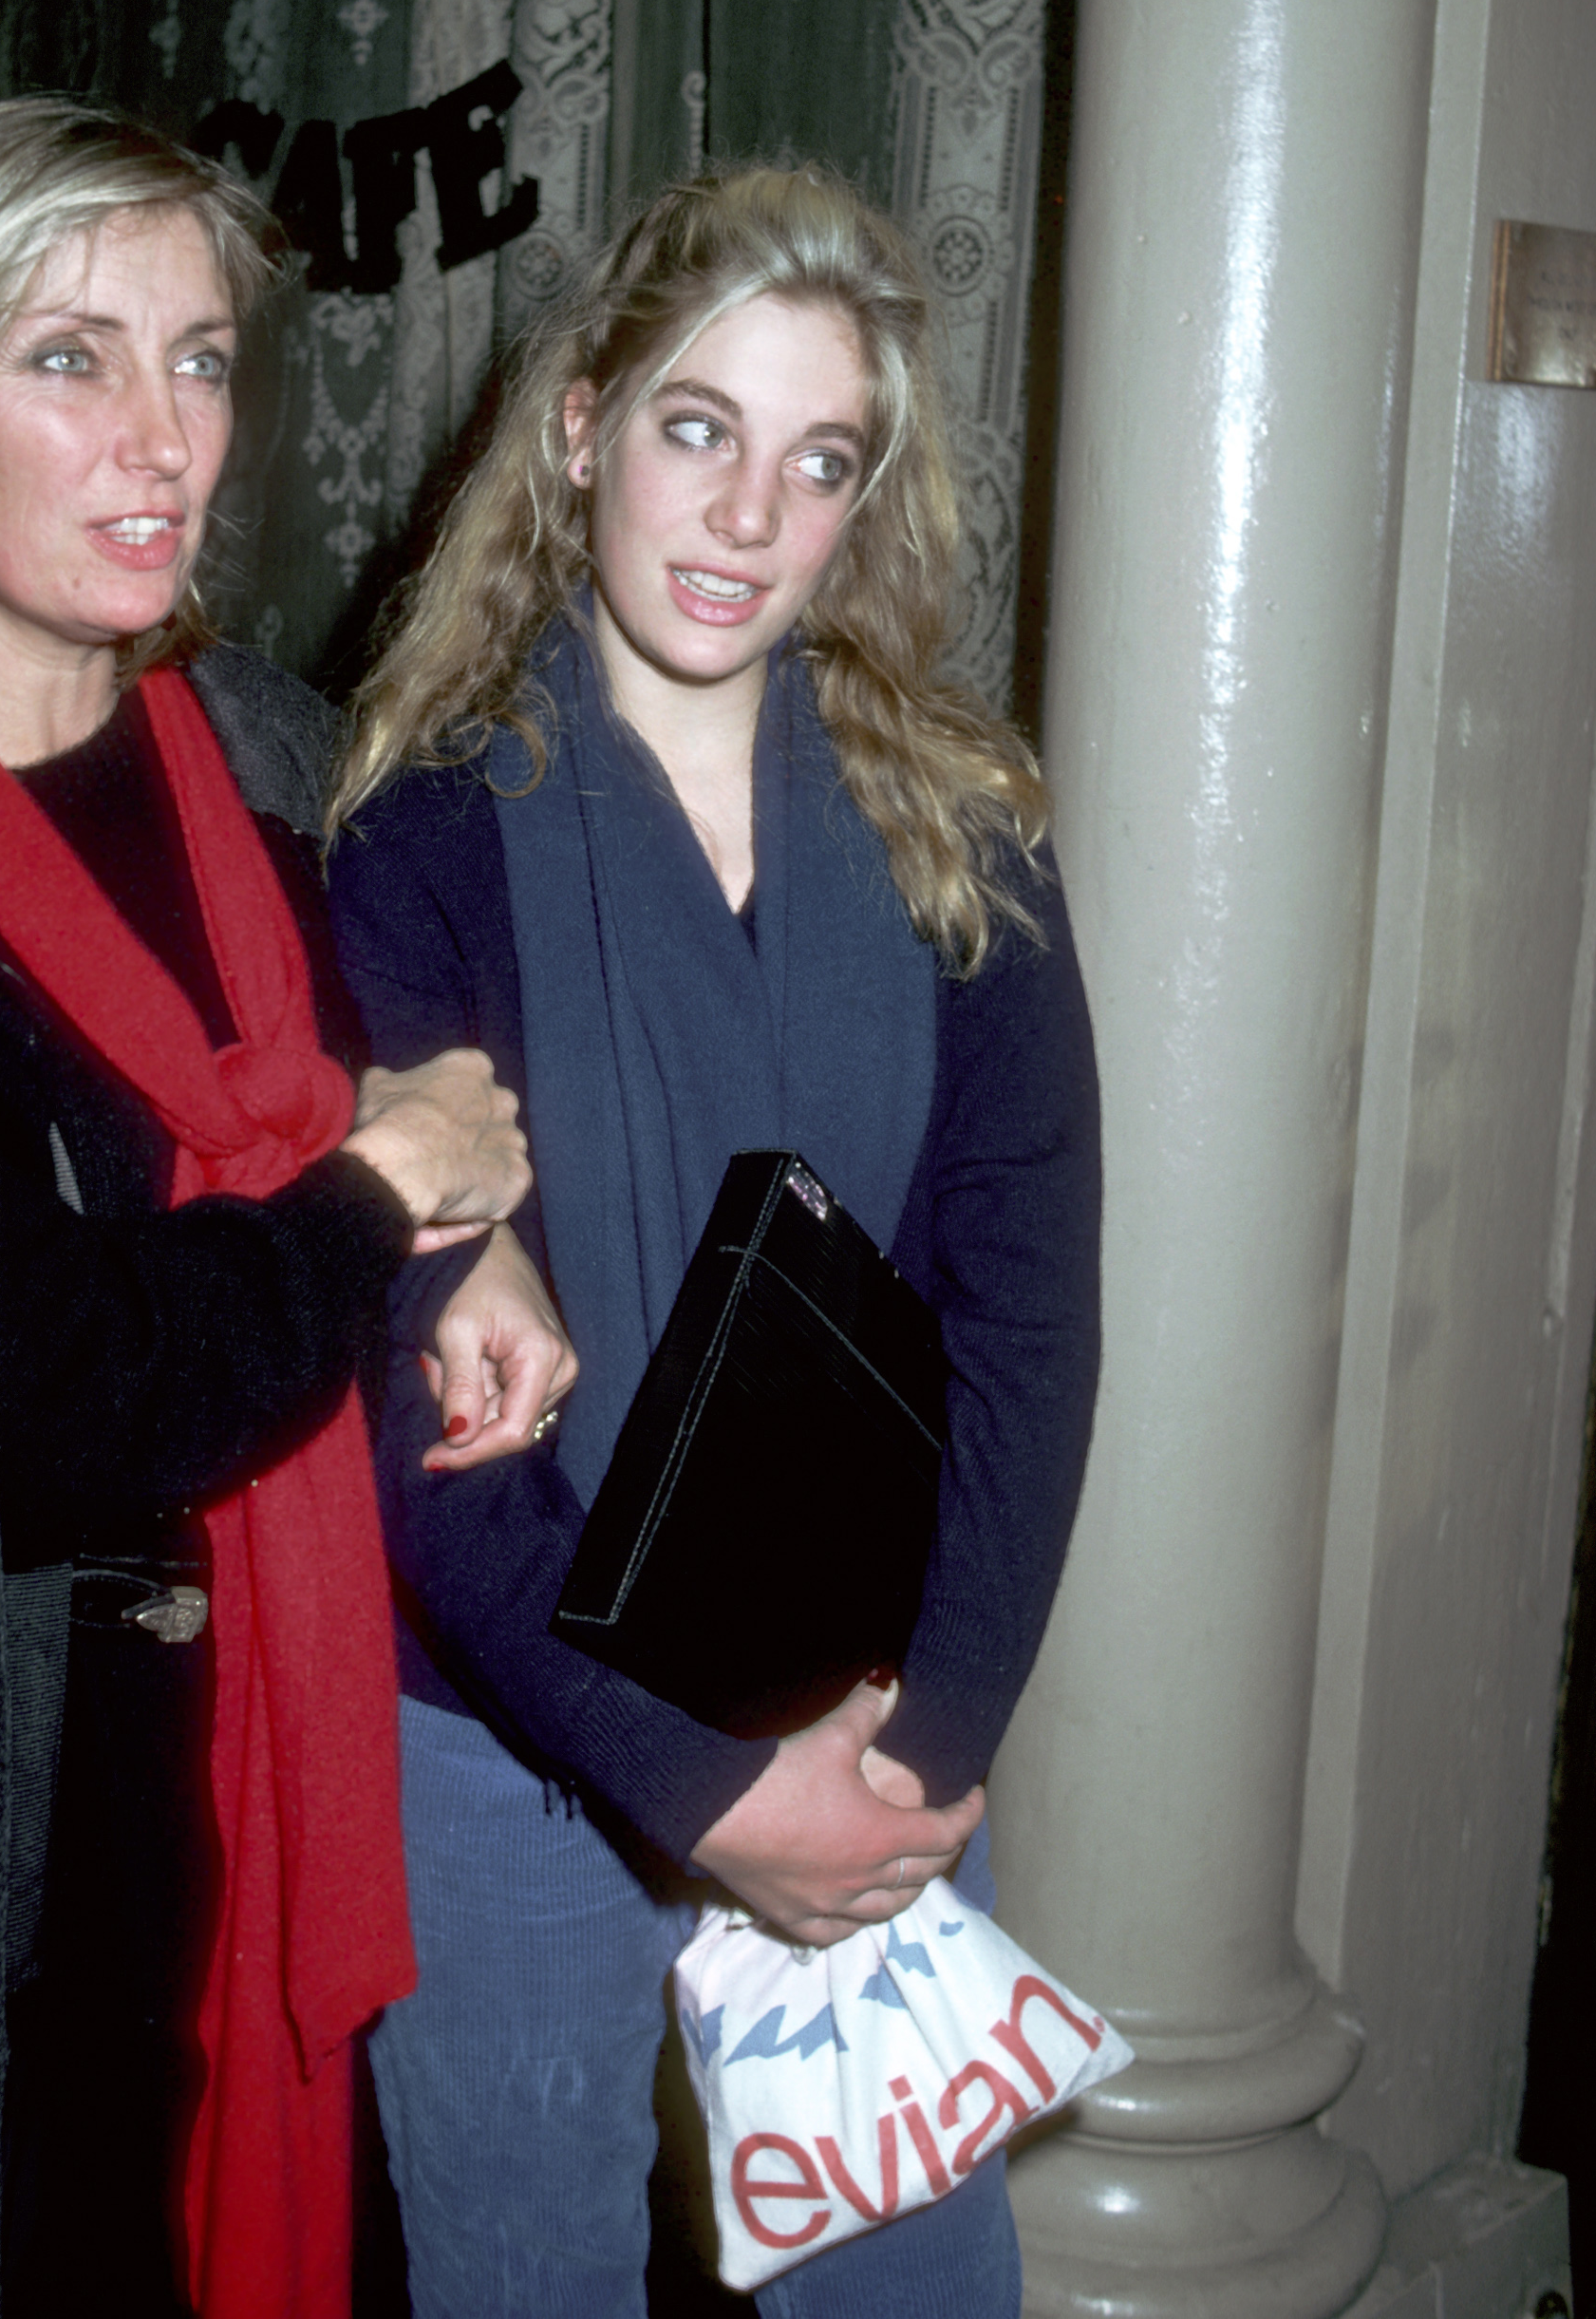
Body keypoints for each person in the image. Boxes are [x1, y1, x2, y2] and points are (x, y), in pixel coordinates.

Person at [0, 97, 570, 2319]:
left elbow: (356, 1094)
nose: (160, 436)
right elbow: (55, 1392)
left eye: (198, 358)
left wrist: (474, 1232)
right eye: (68, 359)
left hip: (275, 1775)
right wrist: (387, 1199)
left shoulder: (277, 760)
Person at [324, 164, 1102, 2317]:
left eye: (817, 457)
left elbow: (1030, 1322)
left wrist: (916, 1750)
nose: (750, 512)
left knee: (921, 2290)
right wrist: (689, 1784)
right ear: (580, 426)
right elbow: (408, 1395)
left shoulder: (963, 842)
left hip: (855, 1718)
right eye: (697, 426)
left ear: (867, 503)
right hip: (506, 1737)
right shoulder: (413, 838)